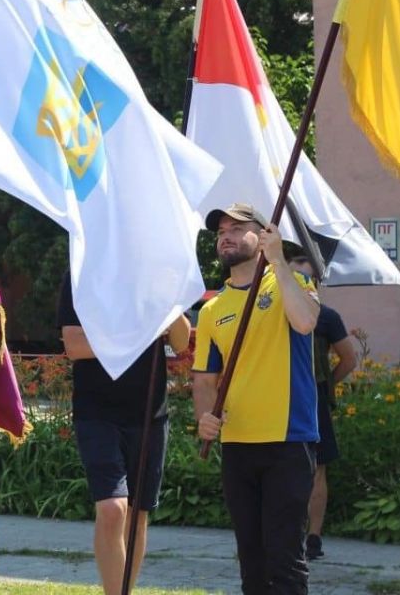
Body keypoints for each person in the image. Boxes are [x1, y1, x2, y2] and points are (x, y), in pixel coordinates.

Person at [193, 203, 320, 595]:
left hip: (288, 441)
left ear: (263, 234)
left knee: (284, 561)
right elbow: (204, 379)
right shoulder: (212, 309)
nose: (226, 235)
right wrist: (203, 417)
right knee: (252, 563)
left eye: (236, 227)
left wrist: (279, 261)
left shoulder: (290, 282)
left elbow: (305, 321)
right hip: (238, 446)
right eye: (220, 231)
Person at [57, 272, 191, 595]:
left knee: (137, 515)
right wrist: (140, 334)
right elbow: (75, 345)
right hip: (97, 412)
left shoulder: (156, 274)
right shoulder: (81, 271)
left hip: (149, 412)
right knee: (113, 508)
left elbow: (181, 341)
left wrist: (168, 299)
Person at [287, 256, 359, 562]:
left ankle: (313, 537)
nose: (302, 284)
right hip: (278, 396)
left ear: (316, 283)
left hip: (313, 397)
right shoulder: (273, 313)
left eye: (307, 278)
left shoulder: (327, 317)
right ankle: (287, 534)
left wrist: (326, 387)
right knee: (283, 469)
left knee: (317, 470)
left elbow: (348, 358)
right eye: (295, 278)